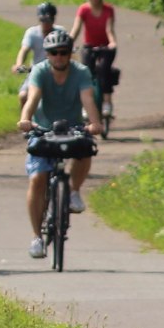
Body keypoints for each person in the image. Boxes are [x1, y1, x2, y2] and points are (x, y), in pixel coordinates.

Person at [17, 27, 104, 259]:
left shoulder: (81, 72)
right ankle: (37, 237)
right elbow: (33, 97)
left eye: (64, 52)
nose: (59, 57)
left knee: (87, 148)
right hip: (43, 130)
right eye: (54, 52)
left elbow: (87, 98)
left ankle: (74, 191)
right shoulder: (39, 71)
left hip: (71, 128)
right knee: (37, 179)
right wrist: (26, 119)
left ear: (70, 54)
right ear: (47, 54)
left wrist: (94, 123)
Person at [69, 0, 119, 127]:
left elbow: (109, 29)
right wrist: (68, 42)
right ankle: (86, 106)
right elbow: (76, 28)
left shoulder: (108, 9)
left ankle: (107, 103)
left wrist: (112, 43)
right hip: (89, 47)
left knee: (104, 70)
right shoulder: (83, 9)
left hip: (105, 46)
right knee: (86, 73)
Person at [13, 0, 60, 108]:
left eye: (48, 20)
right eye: (42, 20)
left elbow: (69, 53)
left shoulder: (60, 33)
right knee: (23, 96)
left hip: (57, 72)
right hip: (36, 71)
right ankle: (24, 121)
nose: (45, 23)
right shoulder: (32, 33)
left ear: (53, 19)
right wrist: (19, 64)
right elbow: (24, 49)